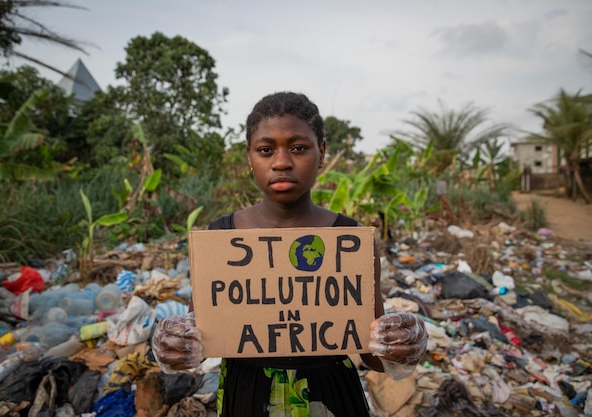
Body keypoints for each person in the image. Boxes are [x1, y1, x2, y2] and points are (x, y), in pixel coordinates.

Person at [152, 91, 428, 416]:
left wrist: (400, 345)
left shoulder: (351, 239)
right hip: (248, 394)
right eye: (266, 150)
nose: (281, 162)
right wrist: (173, 345)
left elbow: (372, 356)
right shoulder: (220, 237)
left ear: (321, 152)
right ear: (249, 157)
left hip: (330, 396)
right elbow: (200, 341)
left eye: (298, 148)